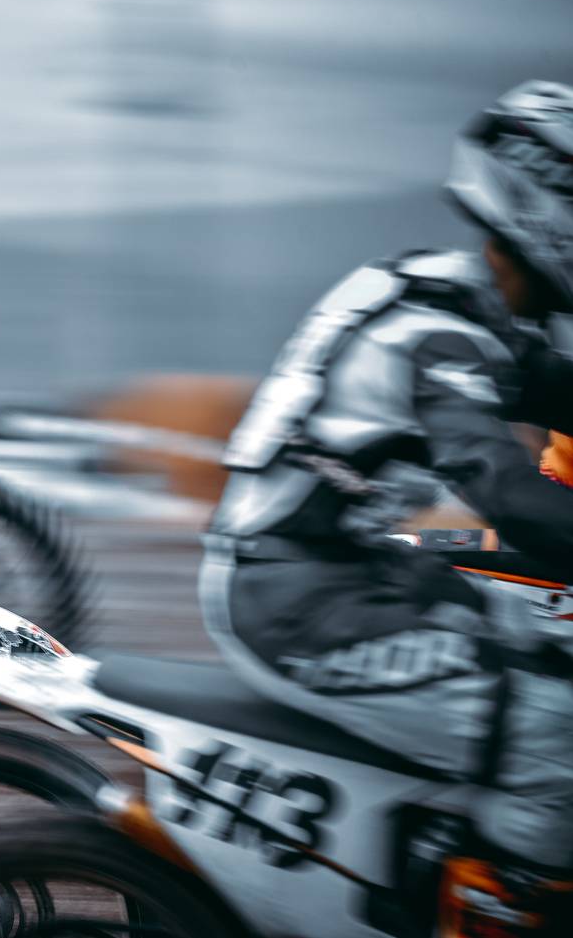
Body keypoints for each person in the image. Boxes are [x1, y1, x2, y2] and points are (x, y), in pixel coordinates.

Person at [204, 80, 573, 934]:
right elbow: (502, 485)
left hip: (354, 568)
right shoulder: (437, 331)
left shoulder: (447, 297)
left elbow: (555, 389)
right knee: (556, 740)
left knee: (544, 636)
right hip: (307, 598)